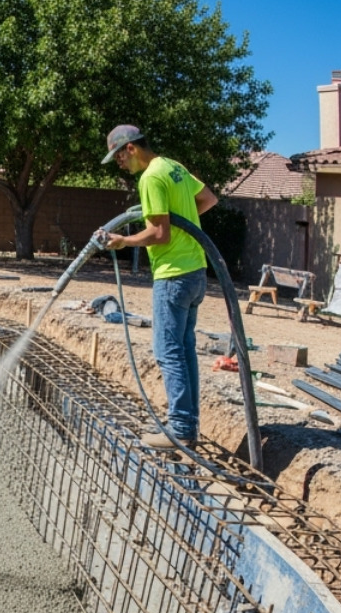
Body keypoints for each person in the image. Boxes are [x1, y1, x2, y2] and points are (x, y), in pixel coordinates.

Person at [98, 125, 219, 449]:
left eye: (119, 156)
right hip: (195, 270)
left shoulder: (150, 177)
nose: (119, 163)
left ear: (132, 149)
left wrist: (123, 240)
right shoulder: (172, 166)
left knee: (168, 352)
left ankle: (180, 429)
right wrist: (183, 220)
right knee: (185, 349)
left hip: (173, 274)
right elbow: (208, 199)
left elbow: (159, 233)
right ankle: (188, 424)